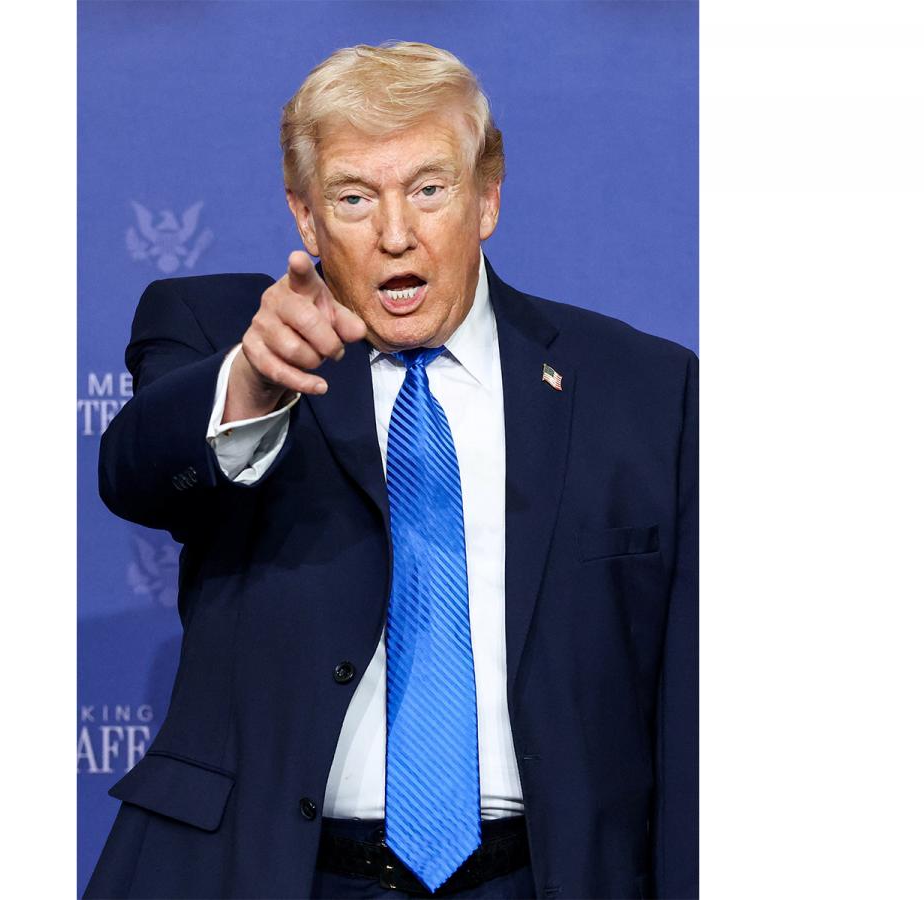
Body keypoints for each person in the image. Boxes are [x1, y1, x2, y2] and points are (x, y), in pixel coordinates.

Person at [85, 41, 697, 900]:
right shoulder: (225, 335)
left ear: (487, 198)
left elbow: (688, 704)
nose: (396, 233)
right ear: (307, 219)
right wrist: (252, 382)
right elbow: (133, 470)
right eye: (354, 198)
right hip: (278, 876)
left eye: (430, 189)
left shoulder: (644, 389)